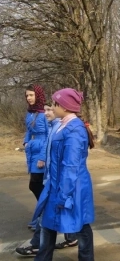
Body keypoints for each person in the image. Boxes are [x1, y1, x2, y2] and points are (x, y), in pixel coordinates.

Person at [32, 88, 95, 260]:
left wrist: (64, 193)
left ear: (65, 107)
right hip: (56, 185)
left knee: (80, 226)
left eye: (55, 104)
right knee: (47, 225)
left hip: (72, 188)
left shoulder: (74, 130)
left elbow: (71, 166)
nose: (52, 108)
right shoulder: (63, 125)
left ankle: (87, 258)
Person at [15, 101, 78, 257]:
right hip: (53, 180)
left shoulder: (63, 128)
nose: (48, 113)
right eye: (46, 110)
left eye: (51, 109)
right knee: (57, 213)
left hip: (58, 182)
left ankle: (37, 245)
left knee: (48, 214)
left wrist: (60, 182)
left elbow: (68, 160)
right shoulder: (54, 127)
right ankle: (71, 238)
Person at [23, 85, 48, 229]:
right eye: (27, 95)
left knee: (35, 184)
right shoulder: (30, 113)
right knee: (36, 184)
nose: (29, 98)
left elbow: (48, 136)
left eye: (31, 95)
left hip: (41, 151)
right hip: (32, 150)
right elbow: (28, 130)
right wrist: (26, 141)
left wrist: (43, 157)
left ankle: (44, 214)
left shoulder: (44, 113)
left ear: (38, 95)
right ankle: (42, 214)